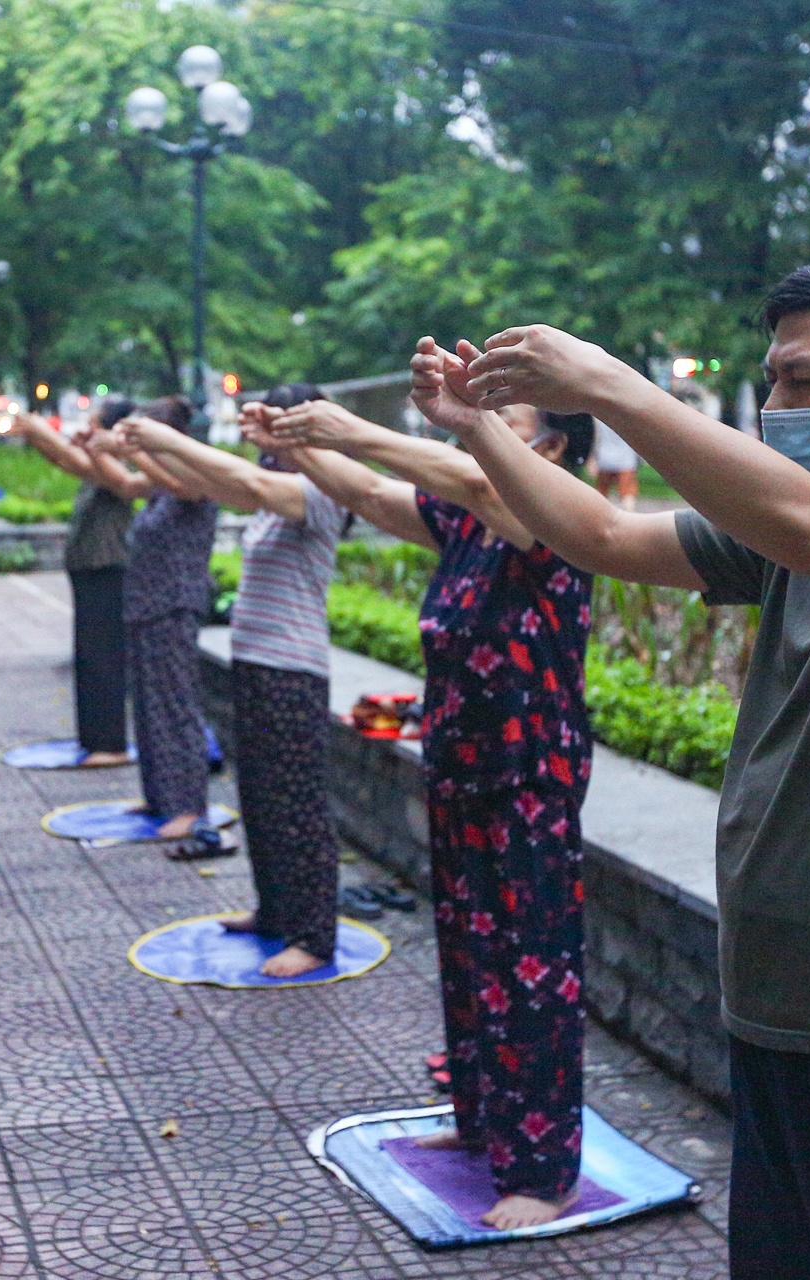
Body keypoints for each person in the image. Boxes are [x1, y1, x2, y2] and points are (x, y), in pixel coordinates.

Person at [435, 252, 810, 1277]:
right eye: (770, 380)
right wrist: (481, 430)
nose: (774, 406)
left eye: (801, 384)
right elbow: (600, 533)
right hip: (771, 1007)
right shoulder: (785, 543)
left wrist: (610, 386)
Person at [254, 394, 591, 1230]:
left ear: (549, 449)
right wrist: (295, 441)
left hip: (526, 778)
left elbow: (476, 483)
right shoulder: (473, 524)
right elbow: (371, 497)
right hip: (461, 768)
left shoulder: (551, 519)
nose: (476, 431)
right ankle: (482, 1122)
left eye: (501, 421)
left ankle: (544, 1171)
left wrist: (350, 429)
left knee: (530, 970)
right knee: (472, 957)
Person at [119, 383, 353, 977]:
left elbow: (246, 486)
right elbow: (224, 485)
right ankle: (274, 910)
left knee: (299, 806)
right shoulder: (276, 491)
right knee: (260, 800)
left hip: (292, 669)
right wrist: (166, 453)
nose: (268, 443)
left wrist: (168, 439)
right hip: (256, 663)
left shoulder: (323, 488)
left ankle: (313, 934)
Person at [87, 397, 221, 842]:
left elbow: (179, 485)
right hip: (146, 605)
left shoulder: (195, 478)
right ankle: (161, 797)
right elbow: (125, 486)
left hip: (174, 606)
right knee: (147, 707)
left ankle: (189, 805)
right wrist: (96, 448)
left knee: (175, 706)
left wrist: (128, 447)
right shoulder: (161, 482)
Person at [13, 395, 137, 768]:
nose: (88, 427)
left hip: (107, 566)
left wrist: (40, 431)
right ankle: (95, 738)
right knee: (89, 657)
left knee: (104, 659)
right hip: (89, 567)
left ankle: (110, 743)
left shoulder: (118, 464)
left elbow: (72, 459)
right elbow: (64, 459)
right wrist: (35, 437)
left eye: (95, 422)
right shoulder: (99, 459)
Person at [589, 418, 640, 510]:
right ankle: (629, 516)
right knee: (627, 493)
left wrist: (593, 458)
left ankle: (597, 516)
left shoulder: (599, 417)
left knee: (602, 492)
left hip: (604, 458)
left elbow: (595, 437)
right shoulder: (628, 417)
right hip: (626, 459)